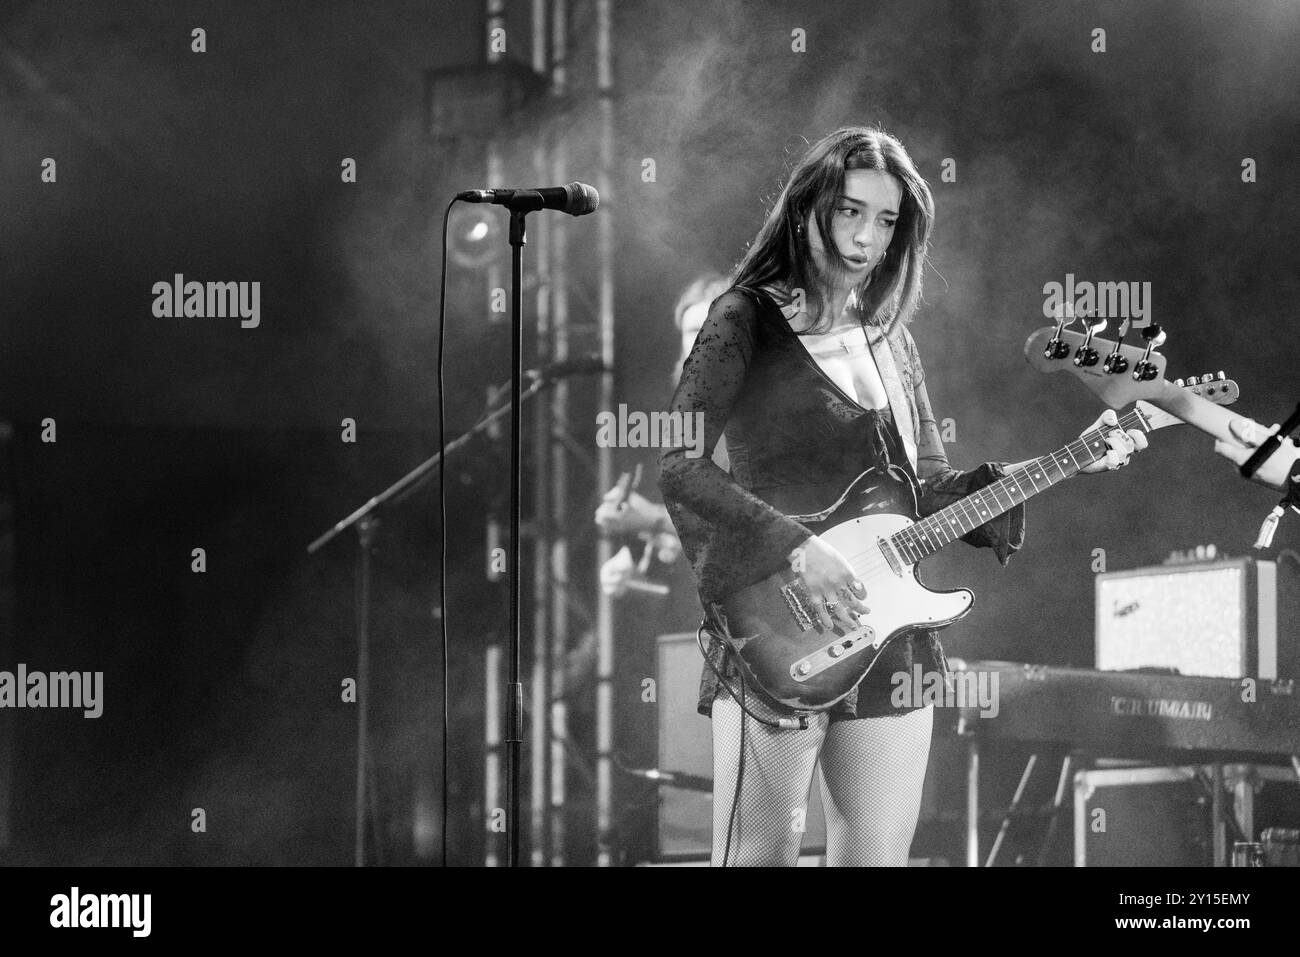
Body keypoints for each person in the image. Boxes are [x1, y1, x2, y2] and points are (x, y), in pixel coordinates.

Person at [656, 125, 1147, 867]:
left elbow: (923, 491)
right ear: (805, 210)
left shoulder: (891, 338)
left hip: (892, 635)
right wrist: (801, 548)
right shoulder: (744, 316)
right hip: (777, 624)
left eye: (886, 221)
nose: (865, 238)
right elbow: (679, 466)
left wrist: (1075, 456)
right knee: (760, 857)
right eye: (850, 212)